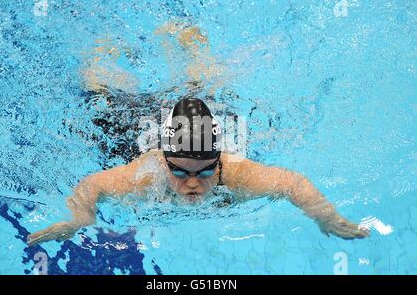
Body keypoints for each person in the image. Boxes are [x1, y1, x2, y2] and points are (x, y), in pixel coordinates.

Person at [27, 97, 369, 246]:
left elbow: (293, 183)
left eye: (205, 173)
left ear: (218, 162)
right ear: (165, 161)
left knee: (203, 75)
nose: (193, 183)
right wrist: (80, 218)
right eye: (180, 172)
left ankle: (192, 41)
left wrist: (324, 216)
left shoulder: (237, 173)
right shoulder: (147, 173)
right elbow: (92, 185)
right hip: (140, 128)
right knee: (100, 94)